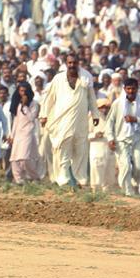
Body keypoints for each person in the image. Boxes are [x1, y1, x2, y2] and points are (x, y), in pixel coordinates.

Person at [40, 54, 99, 187]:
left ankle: (81, 179)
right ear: (66, 63)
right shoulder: (58, 78)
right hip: (63, 120)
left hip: (80, 120)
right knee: (63, 146)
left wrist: (95, 114)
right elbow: (49, 98)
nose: (72, 65)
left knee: (80, 149)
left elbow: (91, 97)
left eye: (74, 62)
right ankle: (63, 178)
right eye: (70, 63)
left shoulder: (86, 76)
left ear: (78, 63)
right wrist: (44, 114)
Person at [104, 78, 140, 196]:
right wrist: (110, 138)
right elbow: (109, 122)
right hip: (122, 139)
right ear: (124, 89)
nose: (131, 91)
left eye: (133, 88)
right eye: (128, 88)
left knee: (139, 166)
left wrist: (136, 119)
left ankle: (134, 183)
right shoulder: (117, 103)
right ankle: (128, 193)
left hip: (138, 139)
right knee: (125, 166)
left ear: (137, 89)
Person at [8, 81, 40, 182]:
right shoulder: (18, 104)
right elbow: (16, 121)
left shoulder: (34, 104)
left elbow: (31, 118)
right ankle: (19, 180)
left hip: (28, 133)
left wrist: (25, 106)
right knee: (14, 158)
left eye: (25, 91)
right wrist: (11, 135)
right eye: (21, 91)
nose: (23, 93)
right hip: (18, 133)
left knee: (24, 157)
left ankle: (34, 177)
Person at [88, 98, 115, 191]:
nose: (105, 109)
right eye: (102, 107)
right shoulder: (92, 118)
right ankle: (95, 193)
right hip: (97, 149)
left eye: (107, 107)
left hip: (109, 150)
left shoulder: (112, 119)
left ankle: (107, 197)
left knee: (109, 174)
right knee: (96, 172)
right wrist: (95, 135)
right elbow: (85, 135)